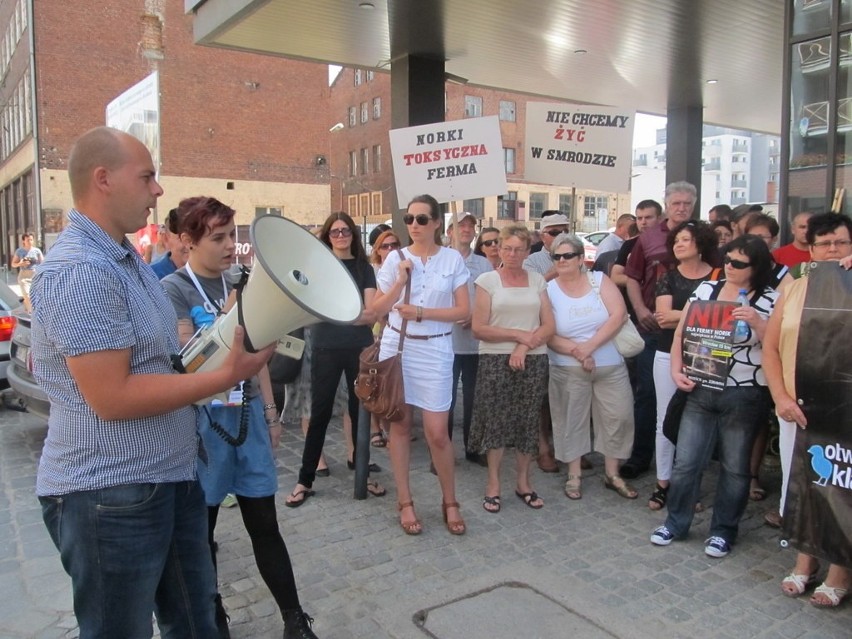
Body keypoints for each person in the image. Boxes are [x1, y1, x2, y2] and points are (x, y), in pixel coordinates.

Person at [30, 126, 272, 638]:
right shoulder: (80, 270)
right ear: (103, 180)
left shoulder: (124, 261)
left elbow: (163, 365)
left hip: (169, 478)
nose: (158, 190)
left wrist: (232, 343)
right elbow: (112, 396)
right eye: (147, 177)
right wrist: (226, 375)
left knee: (195, 622)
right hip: (110, 493)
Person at [161, 196, 318, 638]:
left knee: (264, 523)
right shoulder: (174, 290)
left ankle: (294, 618)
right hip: (203, 424)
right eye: (218, 237)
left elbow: (258, 353)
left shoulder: (240, 281)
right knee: (202, 531)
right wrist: (233, 309)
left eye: (233, 235)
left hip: (244, 415)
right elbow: (189, 361)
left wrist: (271, 412)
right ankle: (213, 616)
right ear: (189, 241)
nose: (231, 245)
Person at [650, 235, 778, 559]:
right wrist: (677, 371)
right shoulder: (707, 289)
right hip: (701, 385)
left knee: (735, 467)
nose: (729, 267)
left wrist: (758, 323)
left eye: (738, 263)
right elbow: (683, 332)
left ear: (756, 267)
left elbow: (778, 346)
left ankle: (723, 531)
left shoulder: (770, 298)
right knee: (686, 462)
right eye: (727, 260)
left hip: (745, 391)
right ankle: (676, 523)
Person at [762, 212, 852, 607]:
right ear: (810, 249)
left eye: (841, 242)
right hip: (796, 409)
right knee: (802, 483)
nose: (832, 249)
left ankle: (839, 571)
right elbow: (770, 345)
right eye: (824, 243)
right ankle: (805, 560)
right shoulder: (795, 283)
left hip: (844, 413)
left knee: (842, 490)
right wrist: (780, 396)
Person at [370, 194, 470, 536]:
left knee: (437, 433)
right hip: (398, 348)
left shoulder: (452, 259)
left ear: (437, 223)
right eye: (409, 219)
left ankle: (450, 500)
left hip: (437, 349)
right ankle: (405, 500)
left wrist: (423, 313)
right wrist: (400, 281)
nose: (414, 225)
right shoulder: (395, 259)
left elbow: (463, 312)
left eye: (421, 219)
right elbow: (377, 310)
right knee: (399, 427)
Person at [285, 212, 384, 507]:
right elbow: (311, 309)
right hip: (326, 347)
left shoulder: (364, 268)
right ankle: (305, 479)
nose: (340, 236)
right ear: (327, 236)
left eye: (345, 231)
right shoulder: (319, 268)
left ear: (353, 234)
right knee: (320, 415)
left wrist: (341, 315)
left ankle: (362, 472)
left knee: (359, 412)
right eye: (335, 232)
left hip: (359, 348)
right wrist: (350, 316)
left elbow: (370, 314)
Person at [468, 225, 554, 512]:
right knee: (497, 422)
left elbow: (549, 325)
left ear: (528, 251)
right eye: (507, 248)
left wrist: (524, 346)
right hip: (495, 359)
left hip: (534, 357)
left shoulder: (537, 280)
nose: (513, 254)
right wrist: (518, 336)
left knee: (527, 421)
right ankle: (493, 484)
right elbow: (479, 329)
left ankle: (524, 482)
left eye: (519, 249)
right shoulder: (487, 280)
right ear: (499, 249)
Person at [546, 233, 636, 501]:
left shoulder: (599, 280)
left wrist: (589, 347)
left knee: (619, 416)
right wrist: (577, 351)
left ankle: (612, 472)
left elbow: (618, 315)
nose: (562, 260)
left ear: (579, 257)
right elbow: (547, 333)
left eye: (567, 255)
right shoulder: (548, 290)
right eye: (556, 256)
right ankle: (574, 474)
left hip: (609, 363)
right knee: (570, 420)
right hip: (567, 366)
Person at [622, 182, 702, 479]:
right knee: (647, 394)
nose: (681, 208)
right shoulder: (649, 237)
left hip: (693, 330)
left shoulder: (702, 236)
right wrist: (640, 310)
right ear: (666, 204)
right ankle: (641, 456)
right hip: (653, 327)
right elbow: (632, 277)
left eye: (686, 204)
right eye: (676, 203)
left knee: (687, 396)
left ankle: (683, 466)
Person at [648, 221, 719, 511]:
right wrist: (701, 313)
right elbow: (662, 318)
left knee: (699, 423)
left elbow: (722, 316)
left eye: (685, 240)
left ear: (700, 244)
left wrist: (682, 314)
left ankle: (688, 485)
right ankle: (663, 482)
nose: (678, 244)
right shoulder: (667, 277)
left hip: (706, 357)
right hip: (666, 353)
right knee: (664, 420)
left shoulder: (718, 278)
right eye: (676, 240)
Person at [523, 213, 570, 473]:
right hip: (541, 334)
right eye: (554, 232)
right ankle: (542, 448)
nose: (560, 236)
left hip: (569, 336)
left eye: (564, 231)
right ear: (543, 236)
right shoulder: (532, 261)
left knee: (566, 396)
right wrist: (557, 269)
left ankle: (568, 447)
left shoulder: (577, 255)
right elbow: (530, 292)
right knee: (541, 397)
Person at [446, 212, 493, 465]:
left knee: (475, 399)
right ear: (449, 232)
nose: (466, 229)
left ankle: (473, 447)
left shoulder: (483, 264)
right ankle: (443, 451)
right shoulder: (440, 261)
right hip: (446, 342)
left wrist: (474, 314)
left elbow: (491, 299)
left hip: (475, 344)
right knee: (446, 400)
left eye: (470, 225)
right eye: (460, 225)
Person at [367, 228, 403, 447]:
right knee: (375, 384)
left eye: (394, 245)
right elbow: (373, 309)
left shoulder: (405, 267)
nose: (390, 249)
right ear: (377, 250)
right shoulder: (373, 271)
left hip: (396, 333)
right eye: (385, 246)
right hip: (375, 333)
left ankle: (392, 427)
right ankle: (375, 428)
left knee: (392, 385)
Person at [151, 207, 190, 279]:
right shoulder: (151, 277)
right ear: (166, 239)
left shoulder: (212, 274)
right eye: (181, 238)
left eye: (195, 237)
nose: (189, 244)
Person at [11, 233, 44, 312]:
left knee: (34, 297)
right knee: (27, 295)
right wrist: (20, 264)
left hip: (35, 275)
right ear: (23, 241)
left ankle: (27, 308)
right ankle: (31, 314)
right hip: (24, 276)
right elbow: (13, 264)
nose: (30, 241)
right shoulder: (19, 251)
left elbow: (43, 263)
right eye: (28, 240)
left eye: (31, 240)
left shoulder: (37, 251)